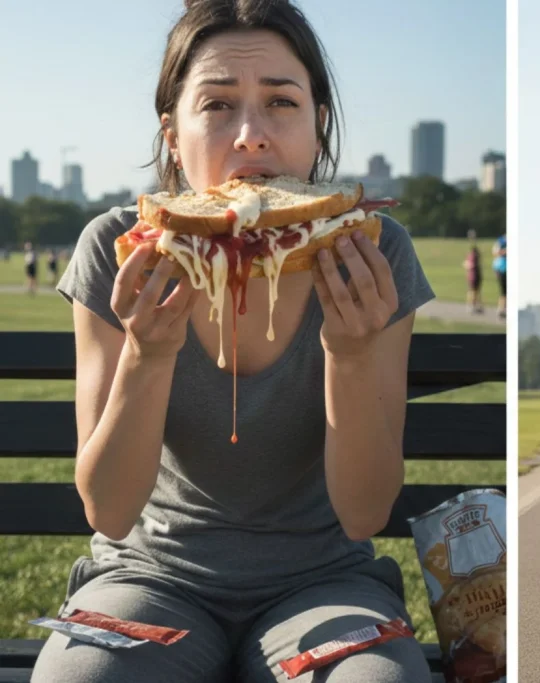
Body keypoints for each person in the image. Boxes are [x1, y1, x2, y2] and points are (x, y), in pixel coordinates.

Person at [37, 2, 436, 681]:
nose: (251, 136)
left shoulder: (373, 252)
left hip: (324, 583)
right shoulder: (118, 248)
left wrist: (349, 355)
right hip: (148, 576)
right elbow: (108, 507)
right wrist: (147, 355)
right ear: (172, 134)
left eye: (281, 102)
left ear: (319, 125)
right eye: (218, 105)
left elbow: (365, 513)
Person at [463, 229, 483, 314]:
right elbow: (467, 264)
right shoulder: (472, 256)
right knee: (473, 291)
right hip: (473, 275)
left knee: (476, 291)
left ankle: (476, 305)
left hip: (476, 274)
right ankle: (471, 306)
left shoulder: (473, 255)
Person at [492, 233, 507, 319]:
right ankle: (501, 309)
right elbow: (495, 252)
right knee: (503, 291)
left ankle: (503, 309)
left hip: (503, 268)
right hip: (502, 268)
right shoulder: (500, 241)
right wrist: (504, 251)